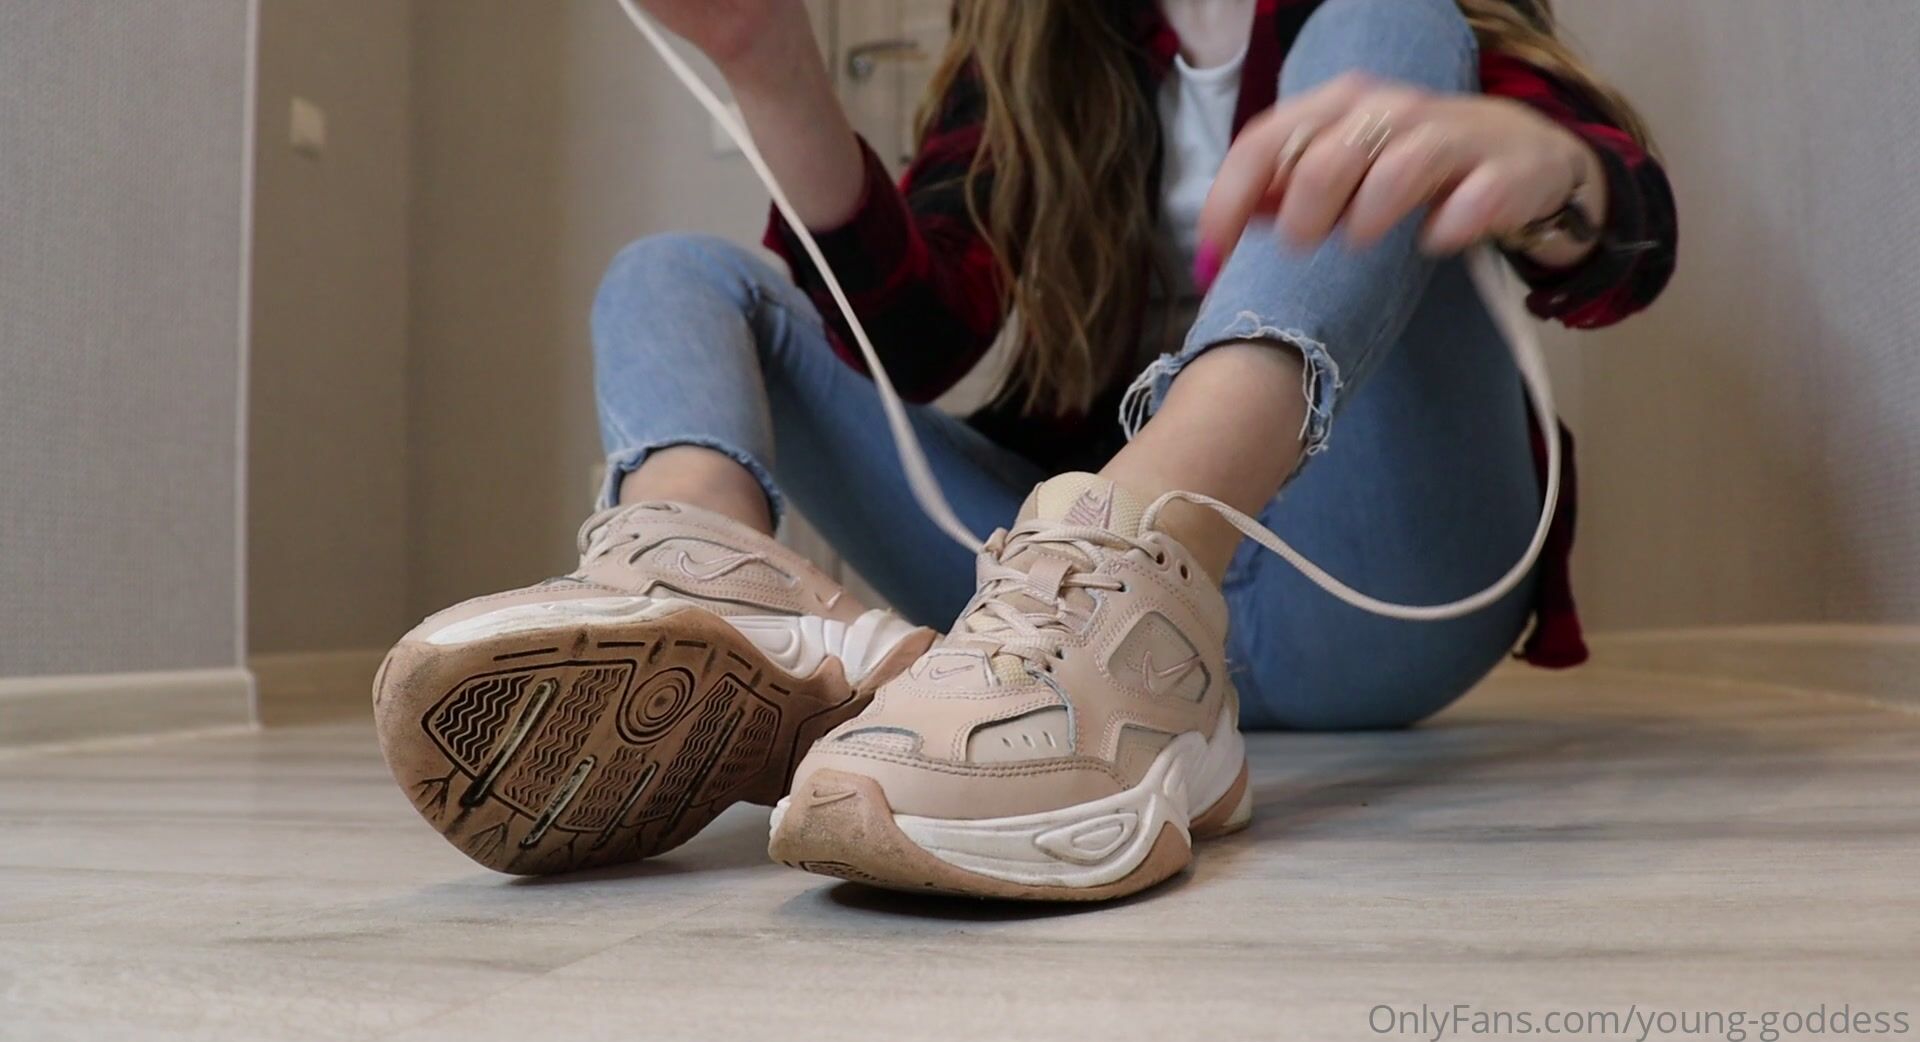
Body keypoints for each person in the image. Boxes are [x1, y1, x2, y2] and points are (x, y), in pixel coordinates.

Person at [373, 0, 1676, 900]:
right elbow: (914, 338)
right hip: (1038, 619)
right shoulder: (1042, 37)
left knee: (1396, 21)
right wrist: (768, 65)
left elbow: (1622, 247)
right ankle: (702, 581)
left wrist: (1561, 175)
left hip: (1369, 589)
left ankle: (1148, 536)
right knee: (669, 273)